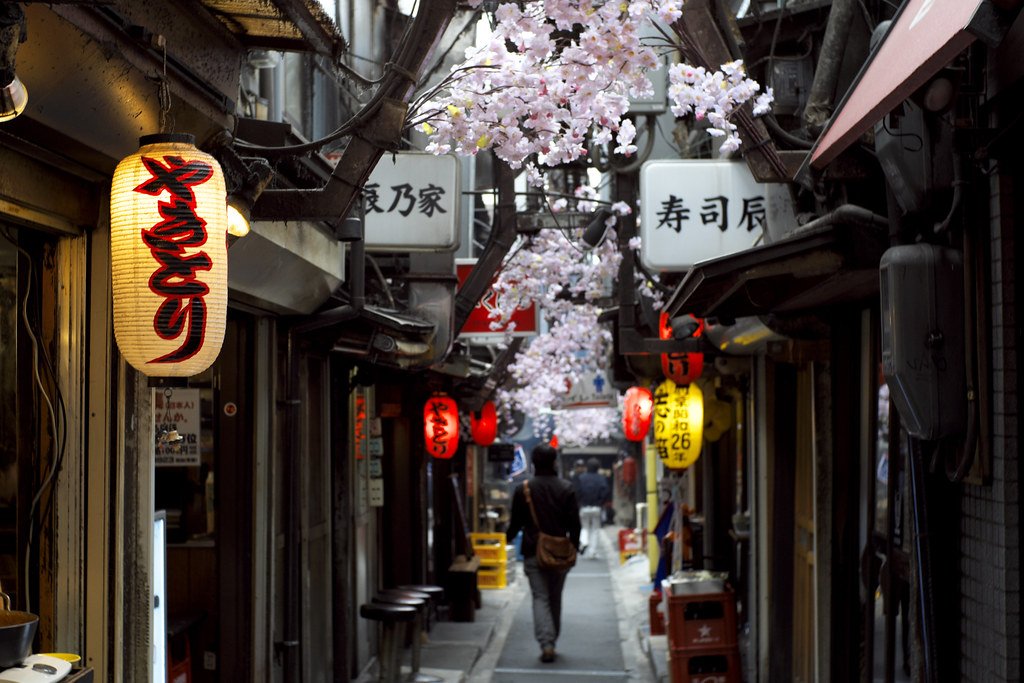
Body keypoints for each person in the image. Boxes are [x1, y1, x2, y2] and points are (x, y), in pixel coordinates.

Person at [506, 444, 581, 663]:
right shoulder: (566, 488)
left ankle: (546, 642)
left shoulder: (524, 489)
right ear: (555, 462)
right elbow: (575, 525)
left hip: (532, 551)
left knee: (540, 597)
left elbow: (515, 524)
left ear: (533, 463)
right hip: (560, 553)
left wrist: (505, 538)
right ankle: (552, 639)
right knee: (555, 597)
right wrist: (573, 548)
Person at [574, 458, 610, 559]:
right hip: (597, 507)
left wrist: (580, 502)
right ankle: (592, 551)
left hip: (584, 507)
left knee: (584, 527)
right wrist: (600, 502)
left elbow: (577, 492)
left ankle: (584, 541)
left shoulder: (581, 478)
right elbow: (605, 491)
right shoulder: (601, 478)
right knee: (595, 530)